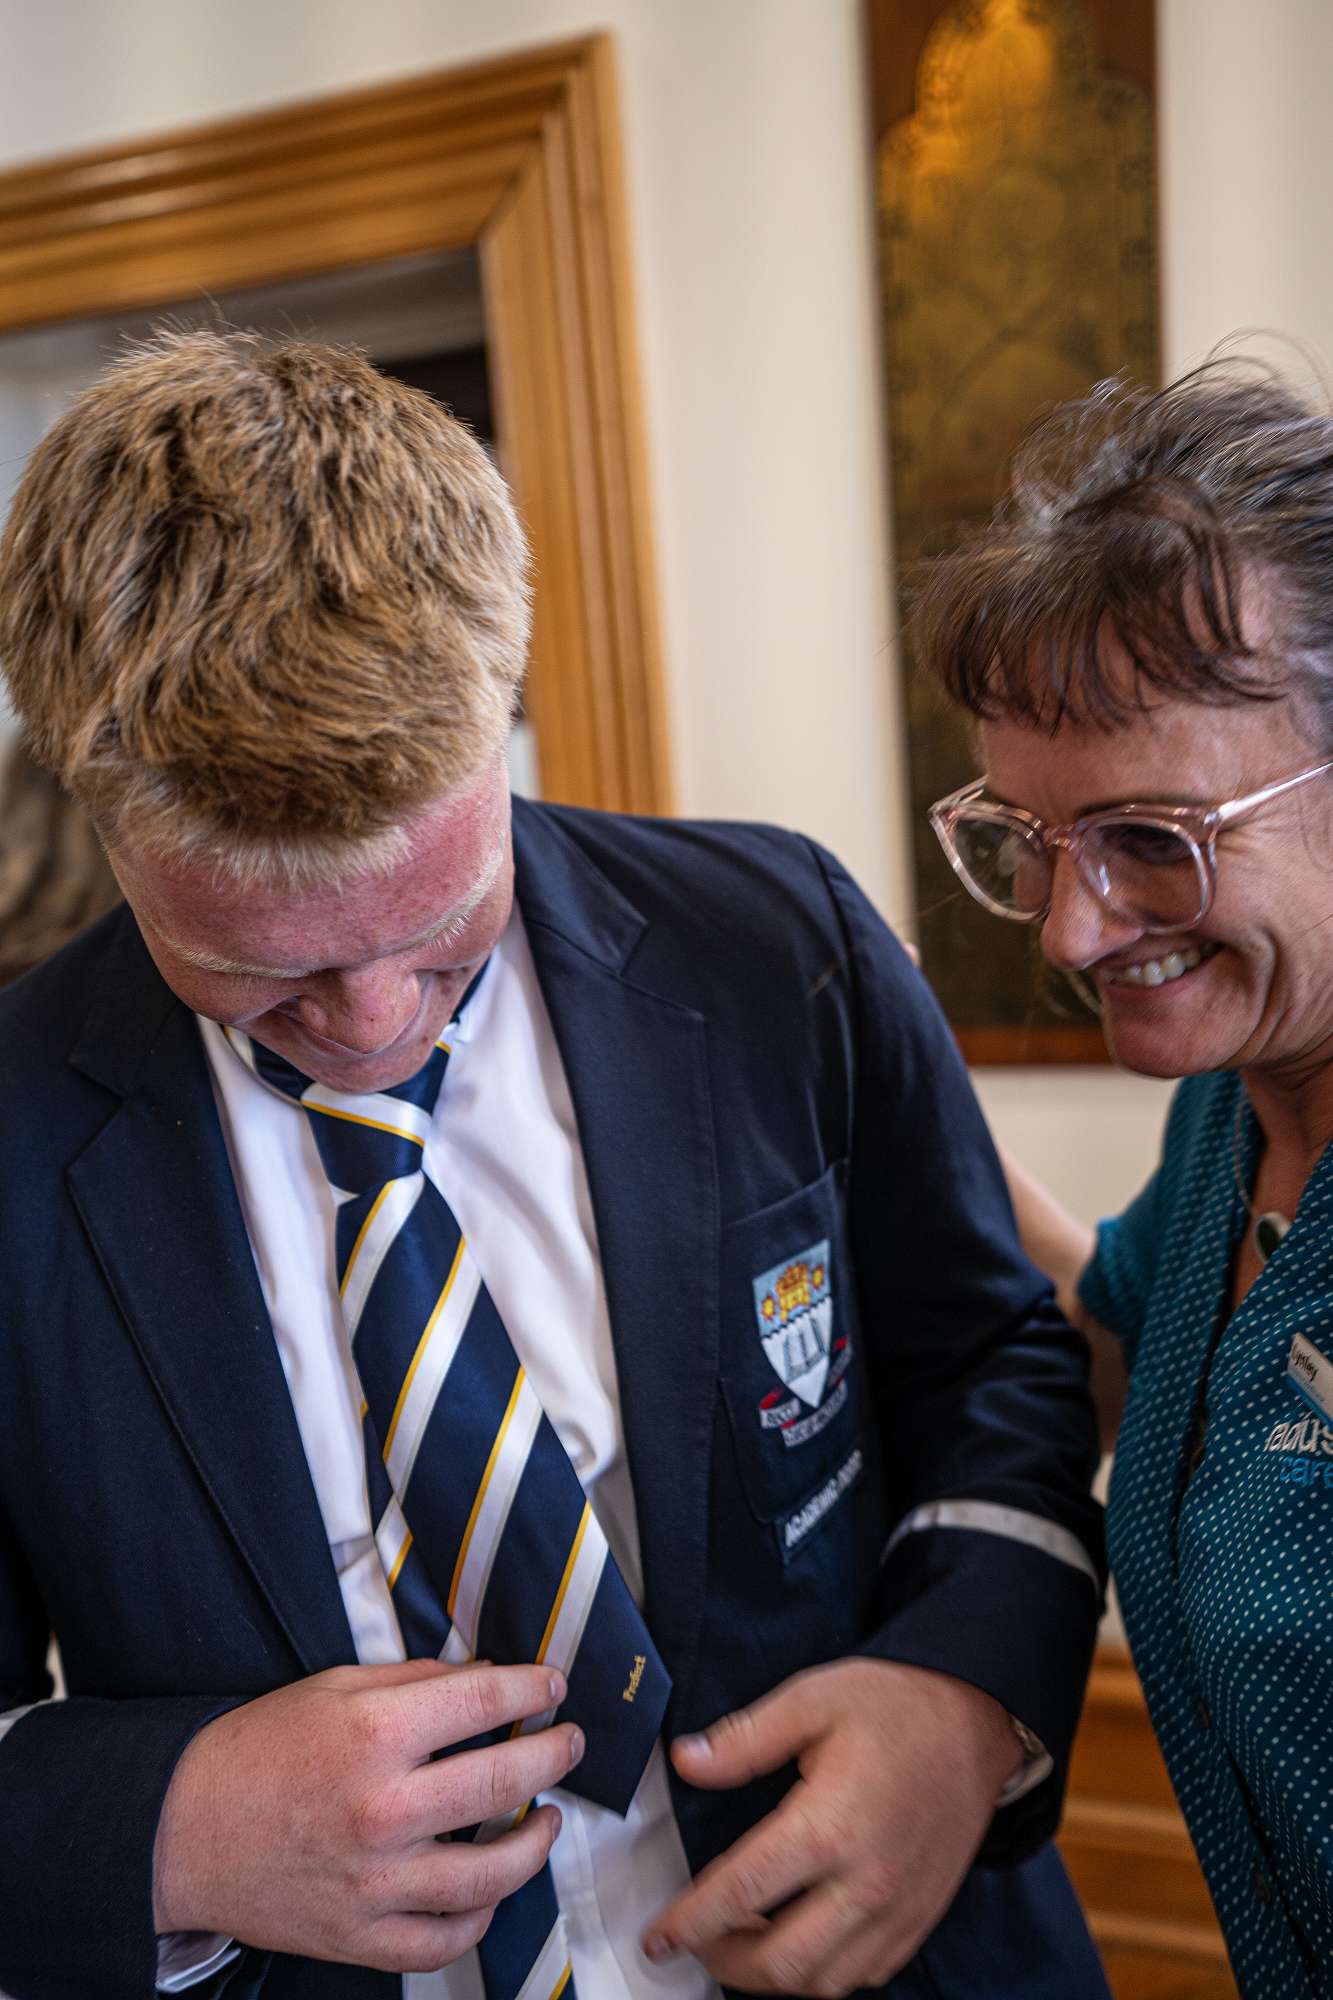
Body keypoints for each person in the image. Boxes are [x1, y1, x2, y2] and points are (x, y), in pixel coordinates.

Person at [0, 331, 1107, 2000]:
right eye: (264, 970)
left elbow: (995, 1355)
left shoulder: (775, 939)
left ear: (497, 718)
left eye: (441, 926)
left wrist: (965, 1696)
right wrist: (170, 1832)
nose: (372, 1023)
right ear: (102, 811)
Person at [916, 360, 1333, 2000]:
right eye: (1028, 843)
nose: (1072, 931)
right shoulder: (1234, 1117)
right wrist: (877, 1077)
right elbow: (1114, 1326)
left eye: (1153, 839)